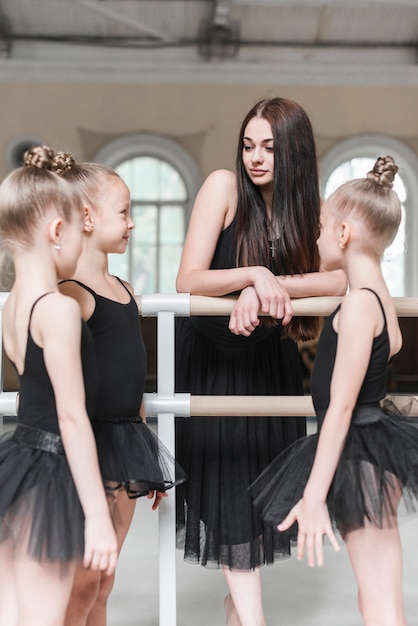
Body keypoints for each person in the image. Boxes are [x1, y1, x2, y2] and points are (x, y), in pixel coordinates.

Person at [175, 96, 347, 626]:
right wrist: (253, 276)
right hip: (214, 361)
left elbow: (340, 277)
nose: (256, 158)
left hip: (268, 364)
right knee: (227, 491)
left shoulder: (311, 211)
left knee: (254, 500)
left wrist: (276, 285)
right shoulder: (223, 189)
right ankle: (253, 620)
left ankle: (237, 609)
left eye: (270, 148)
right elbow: (189, 280)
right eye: (248, 145)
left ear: (295, 152)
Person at [250, 156, 418, 625]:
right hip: (374, 447)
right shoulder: (372, 294)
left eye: (321, 227)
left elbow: (341, 409)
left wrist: (313, 494)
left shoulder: (360, 305)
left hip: (357, 449)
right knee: (379, 594)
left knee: (379, 598)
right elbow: (397, 340)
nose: (316, 236)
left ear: (343, 235)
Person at [52, 151, 187, 626]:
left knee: (106, 579)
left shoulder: (126, 289)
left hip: (127, 441)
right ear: (87, 218)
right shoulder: (70, 291)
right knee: (84, 577)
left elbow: (133, 378)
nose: (131, 223)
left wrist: (144, 455)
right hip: (89, 444)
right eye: (124, 212)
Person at [0, 146, 118, 626]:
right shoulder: (58, 309)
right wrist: (96, 516)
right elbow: (71, 417)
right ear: (56, 232)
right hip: (51, 471)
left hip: (19, 465)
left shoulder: (13, 306)